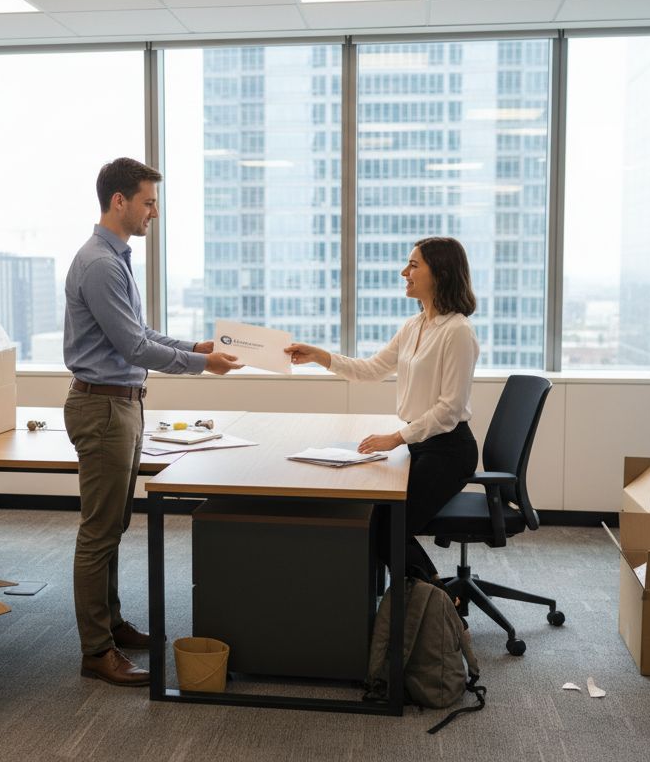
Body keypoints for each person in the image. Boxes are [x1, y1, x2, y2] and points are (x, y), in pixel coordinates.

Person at [64, 157, 242, 687]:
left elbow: (140, 331)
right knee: (98, 532)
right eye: (148, 201)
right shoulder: (99, 262)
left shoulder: (115, 258)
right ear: (119, 201)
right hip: (103, 407)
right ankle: (96, 651)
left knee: (113, 526)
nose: (154, 212)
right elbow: (133, 345)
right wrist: (202, 365)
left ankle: (111, 624)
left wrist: (194, 347)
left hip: (121, 403)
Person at [284, 236, 478, 583]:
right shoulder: (414, 325)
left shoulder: (458, 331)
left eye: (414, 265)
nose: (405, 272)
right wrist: (318, 356)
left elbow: (448, 410)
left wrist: (395, 438)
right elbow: (370, 370)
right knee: (375, 521)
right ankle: (427, 599)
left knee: (386, 529)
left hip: (448, 450)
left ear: (441, 272)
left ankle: (439, 603)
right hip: (419, 444)